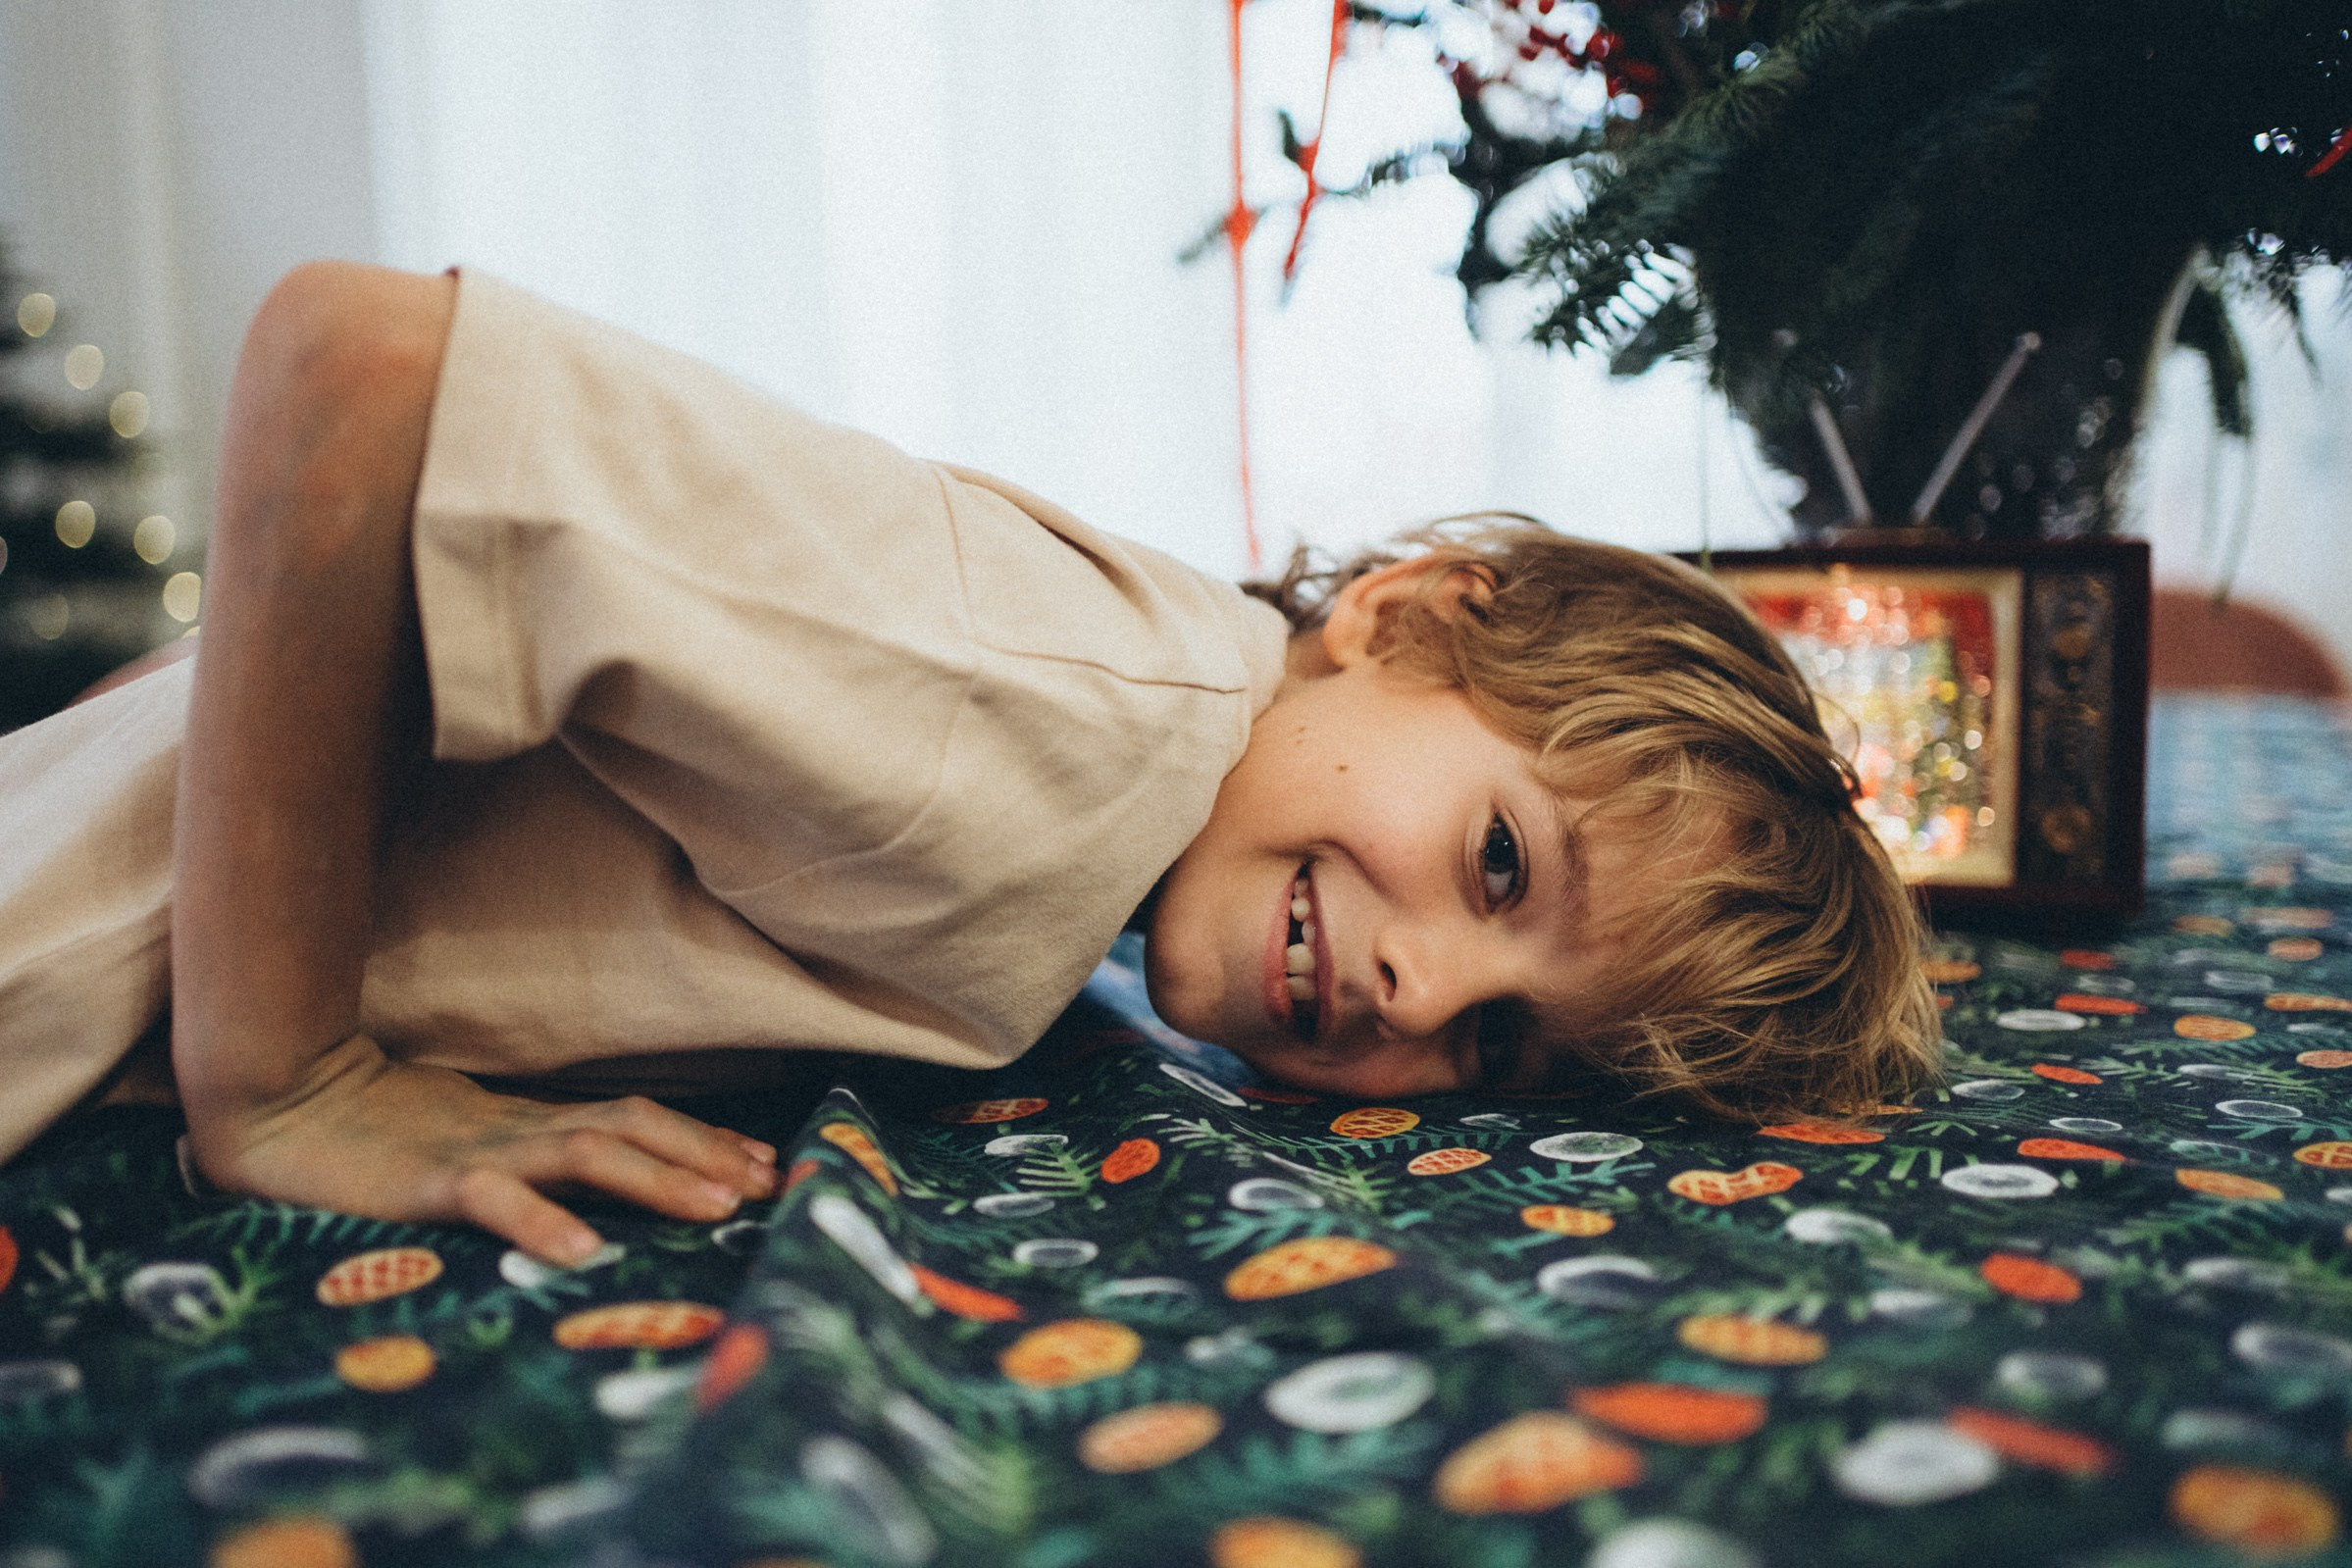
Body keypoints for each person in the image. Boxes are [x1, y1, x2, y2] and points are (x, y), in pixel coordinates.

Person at [0, 263, 1938, 1267]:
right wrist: (286, 1079)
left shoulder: (1124, 759)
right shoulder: (1065, 729)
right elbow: (355, 371)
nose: (1419, 992)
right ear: (1411, 610)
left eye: (1498, 1045)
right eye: (1501, 863)